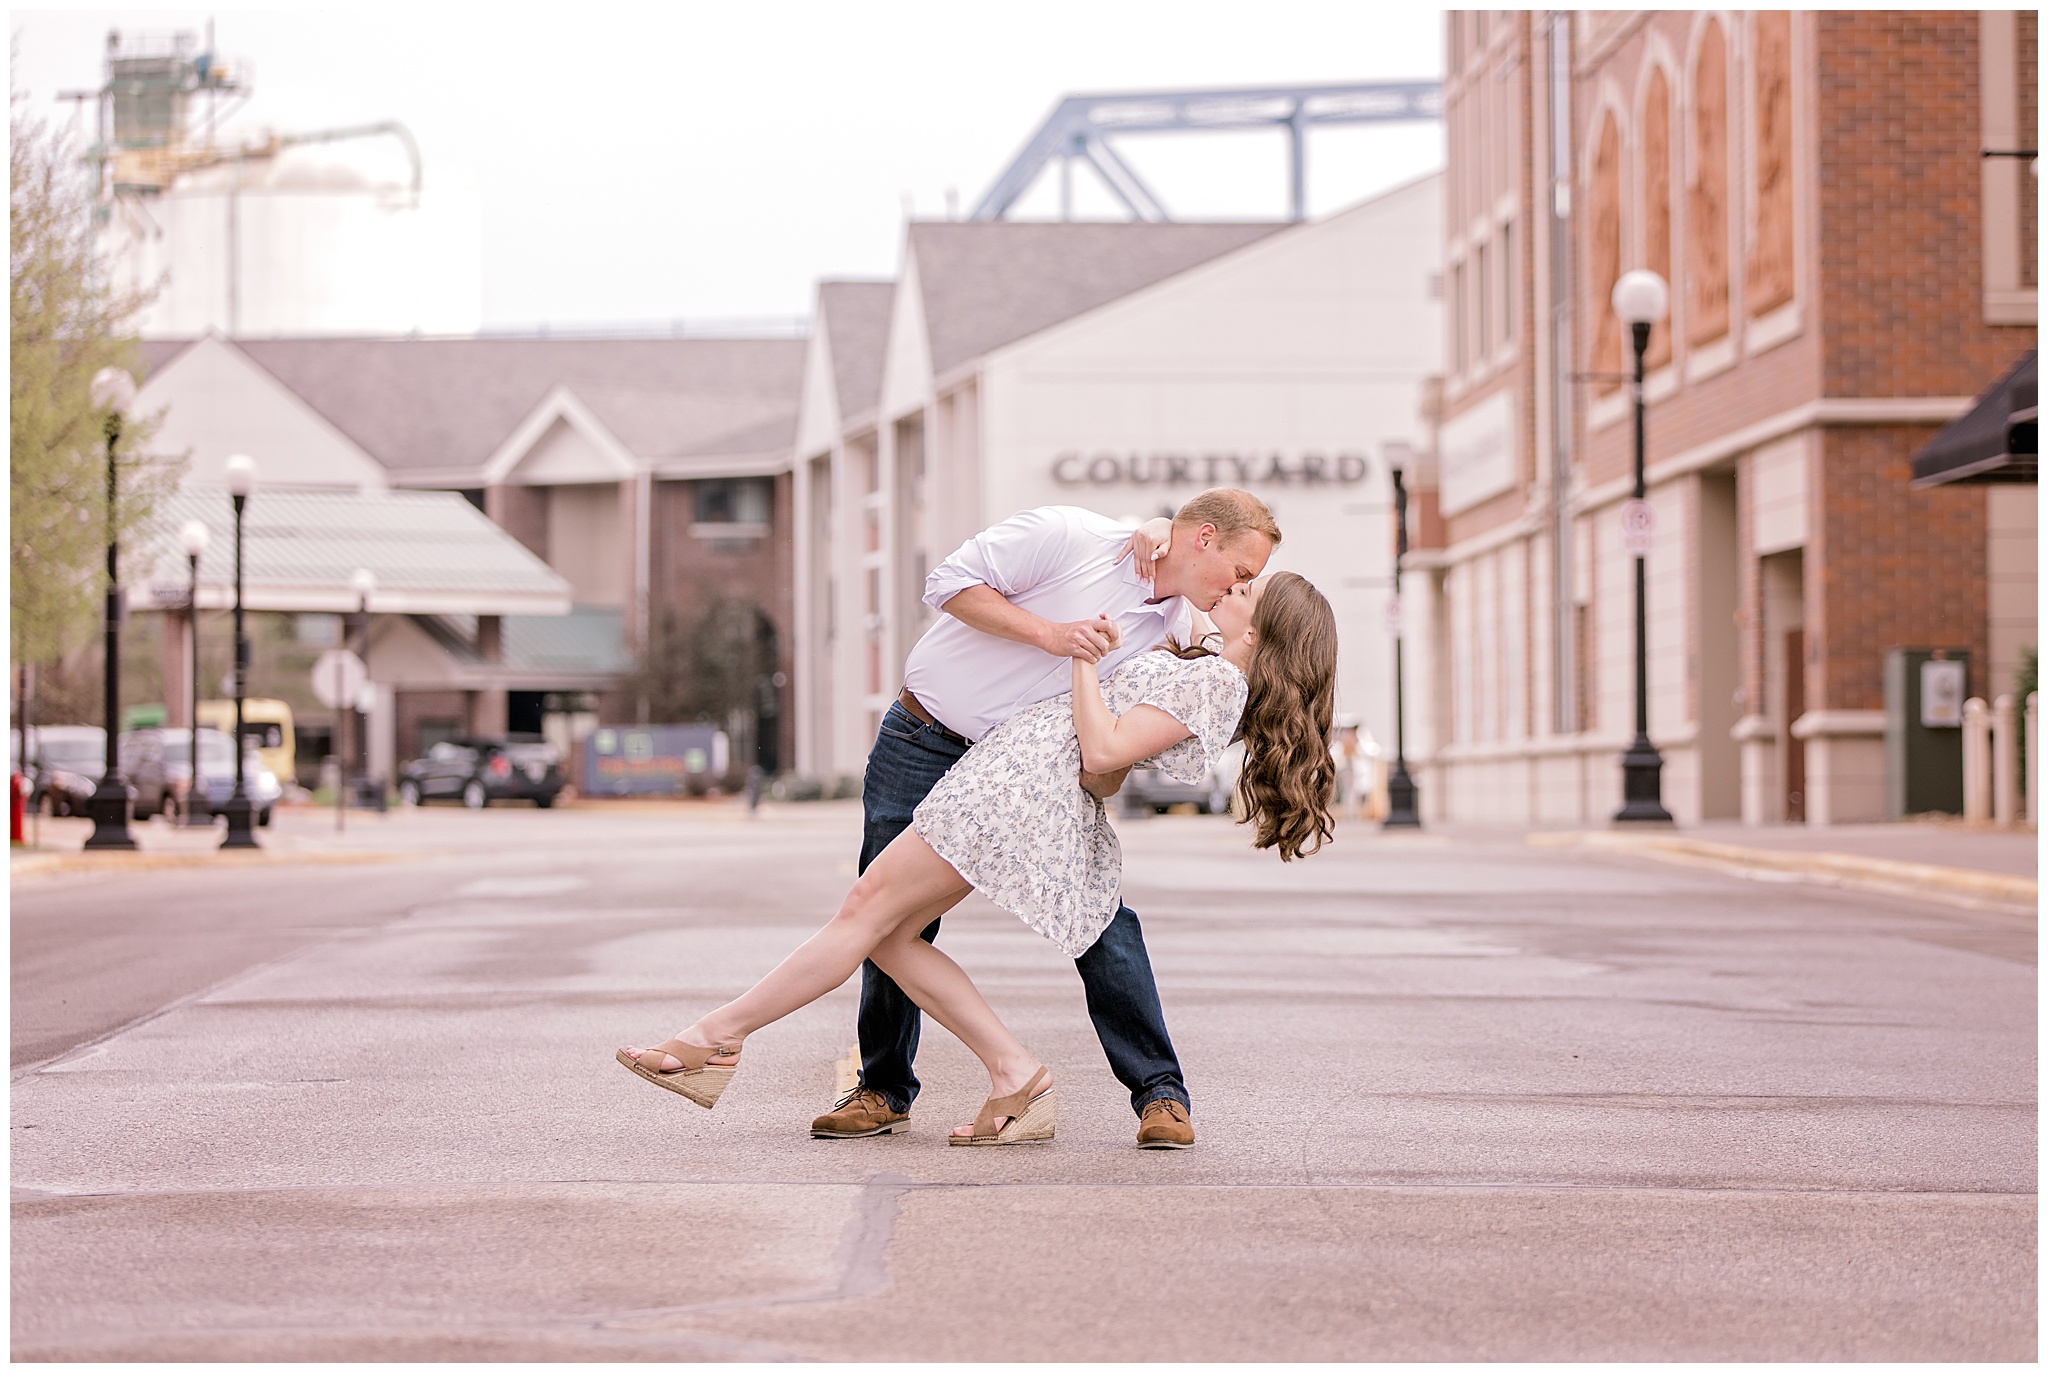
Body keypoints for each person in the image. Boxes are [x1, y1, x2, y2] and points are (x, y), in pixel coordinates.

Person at [616, 566, 1339, 1146]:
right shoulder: (1207, 665)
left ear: (1269, 628)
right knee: (890, 935)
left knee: (864, 913)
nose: (1234, 587)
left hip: (1016, 795)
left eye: (1249, 591)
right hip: (1008, 783)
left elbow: (1106, 750)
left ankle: (717, 1037)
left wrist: (1083, 661)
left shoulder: (1218, 683)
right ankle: (1013, 1071)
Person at [820, 488, 1275, 1150]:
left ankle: (1160, 1093)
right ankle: (883, 1087)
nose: (1242, 584)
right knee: (883, 913)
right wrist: (1052, 635)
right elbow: (947, 583)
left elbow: (1215, 657)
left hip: (1026, 777)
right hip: (922, 737)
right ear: (1204, 537)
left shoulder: (1182, 618)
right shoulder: (1070, 536)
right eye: (1241, 569)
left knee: (1099, 915)